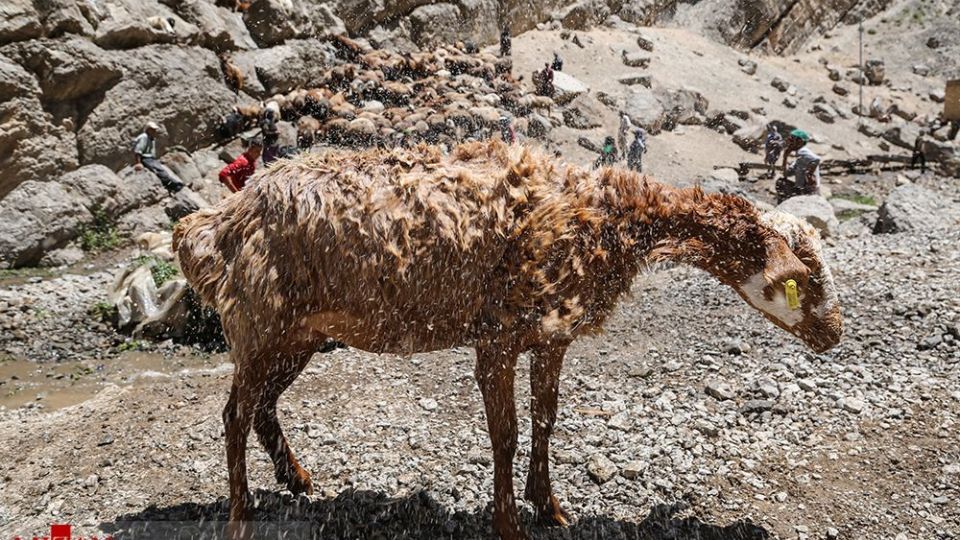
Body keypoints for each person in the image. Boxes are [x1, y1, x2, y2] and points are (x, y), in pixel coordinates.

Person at [133, 121, 184, 193]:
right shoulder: (144, 137)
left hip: (151, 159)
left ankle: (176, 185)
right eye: (152, 130)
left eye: (155, 130)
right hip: (146, 159)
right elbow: (138, 151)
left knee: (162, 171)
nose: (154, 131)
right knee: (160, 171)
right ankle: (175, 186)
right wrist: (138, 163)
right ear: (148, 129)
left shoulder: (151, 138)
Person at [777, 129, 821, 203]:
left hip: (809, 190)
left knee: (781, 184)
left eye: (792, 140)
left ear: (799, 142)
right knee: (781, 182)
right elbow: (786, 174)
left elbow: (817, 159)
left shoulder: (802, 151)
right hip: (801, 188)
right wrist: (785, 157)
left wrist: (809, 174)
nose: (789, 142)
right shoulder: (799, 160)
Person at [259, 101, 282, 166]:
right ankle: (268, 164)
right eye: (272, 114)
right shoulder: (266, 122)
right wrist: (275, 132)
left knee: (274, 153)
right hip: (269, 142)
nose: (273, 115)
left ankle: (272, 163)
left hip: (273, 141)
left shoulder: (271, 121)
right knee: (268, 154)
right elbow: (266, 132)